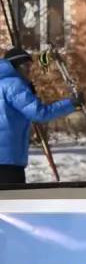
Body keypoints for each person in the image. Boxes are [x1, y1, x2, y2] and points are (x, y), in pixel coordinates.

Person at [0, 47, 80, 185]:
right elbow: (39, 113)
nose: (29, 70)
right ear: (14, 65)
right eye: (25, 65)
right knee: (13, 202)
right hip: (7, 160)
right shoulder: (14, 85)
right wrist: (71, 103)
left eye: (30, 66)